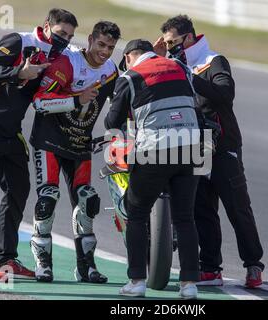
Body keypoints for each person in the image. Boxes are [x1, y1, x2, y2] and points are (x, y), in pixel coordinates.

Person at [0, 8, 78, 282]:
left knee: (19, 187)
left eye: (70, 36)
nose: (65, 39)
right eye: (61, 33)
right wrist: (19, 72)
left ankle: (6, 258)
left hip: (10, 130)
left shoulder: (60, 56)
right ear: (47, 26)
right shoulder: (19, 41)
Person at [154, 15, 265, 288]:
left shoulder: (213, 60)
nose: (170, 48)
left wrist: (190, 75)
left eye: (174, 42)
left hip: (224, 146)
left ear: (189, 37)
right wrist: (155, 56)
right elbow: (136, 72)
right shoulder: (171, 62)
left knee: (238, 208)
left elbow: (226, 94)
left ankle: (253, 264)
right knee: (202, 209)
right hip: (195, 145)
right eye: (166, 43)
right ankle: (210, 267)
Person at [105, 39, 201, 299]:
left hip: (155, 150)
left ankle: (137, 282)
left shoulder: (130, 76)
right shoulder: (181, 67)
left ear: (128, 58)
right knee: (185, 218)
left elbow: (112, 121)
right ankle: (189, 285)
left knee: (135, 213)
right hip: (193, 147)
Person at [29, 21, 121, 283]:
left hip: (80, 144)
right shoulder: (67, 63)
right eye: (101, 44)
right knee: (48, 198)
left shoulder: (111, 71)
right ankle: (43, 263)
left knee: (87, 201)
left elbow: (121, 102)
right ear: (90, 39)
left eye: (111, 47)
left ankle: (86, 267)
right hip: (49, 141)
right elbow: (39, 102)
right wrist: (75, 99)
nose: (104, 51)